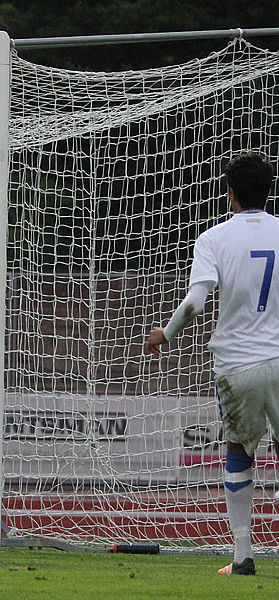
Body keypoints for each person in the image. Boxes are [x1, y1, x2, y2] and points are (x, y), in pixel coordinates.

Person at [146, 152, 278, 576]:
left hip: (238, 363)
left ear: (231, 193)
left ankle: (243, 558)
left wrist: (165, 334)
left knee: (239, 452)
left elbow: (195, 304)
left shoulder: (213, 238)